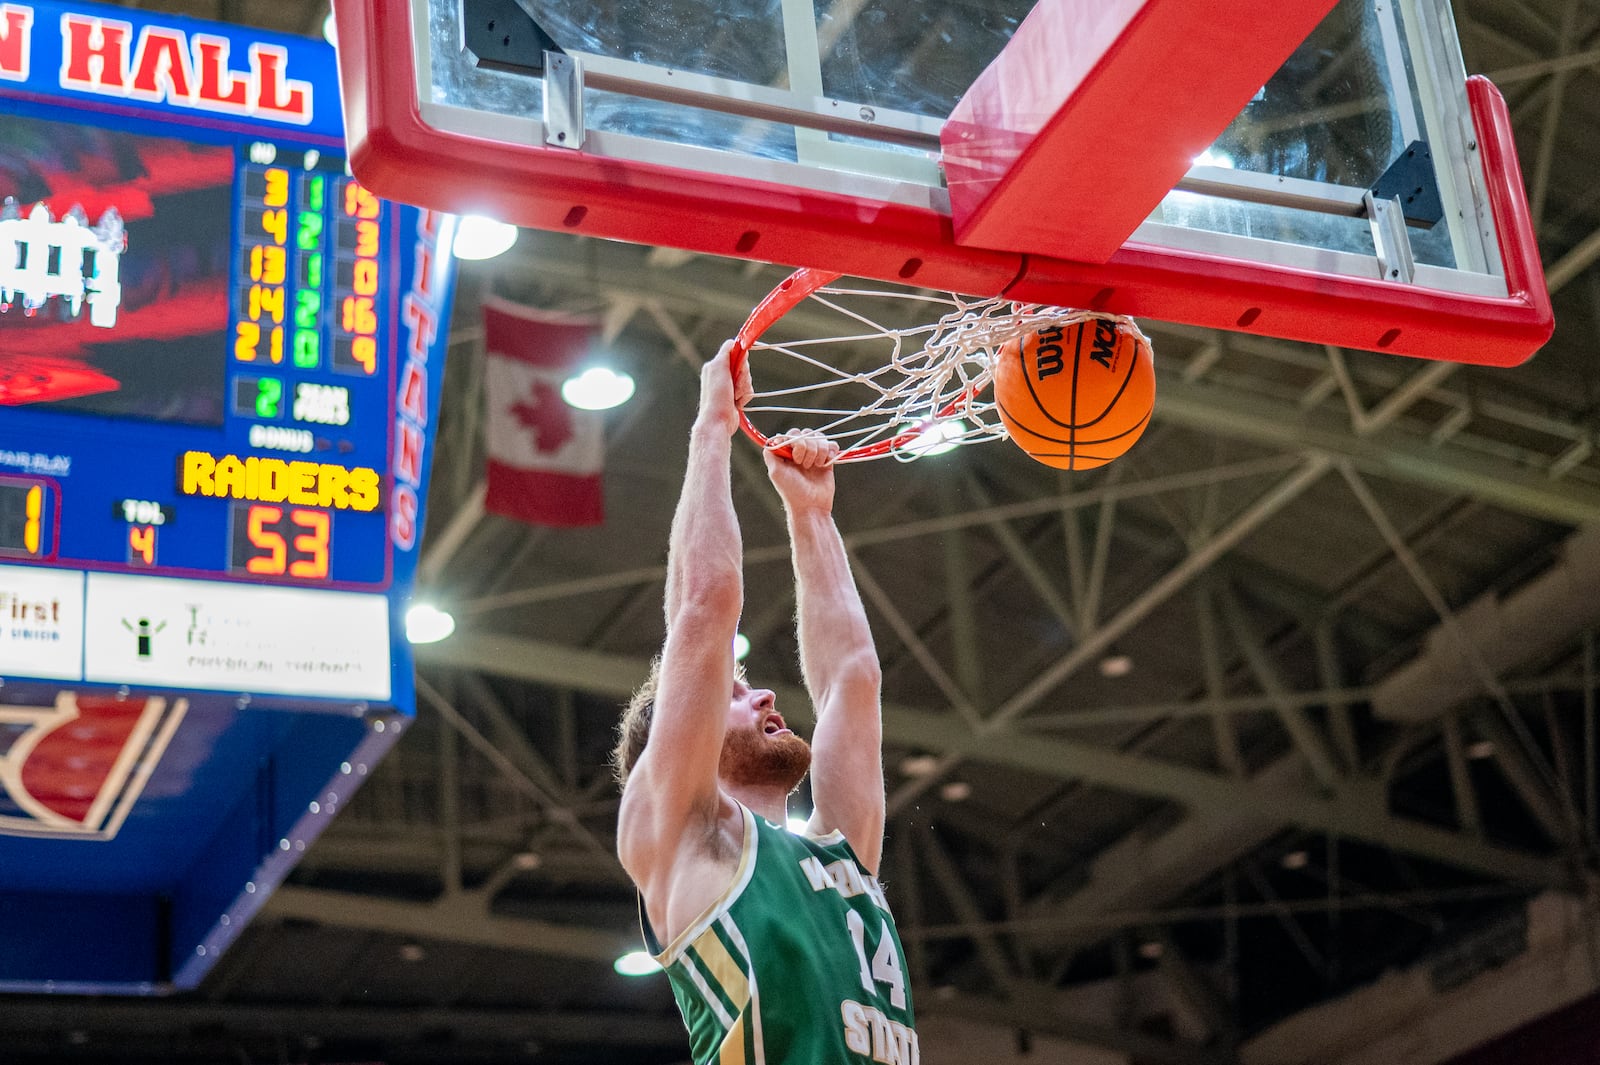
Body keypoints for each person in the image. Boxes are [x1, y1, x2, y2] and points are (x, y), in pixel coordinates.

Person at [612, 340, 918, 1065]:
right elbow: (704, 606)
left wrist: (810, 515)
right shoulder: (682, 837)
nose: (765, 692)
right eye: (736, 690)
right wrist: (712, 426)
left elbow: (854, 675)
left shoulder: (842, 855)